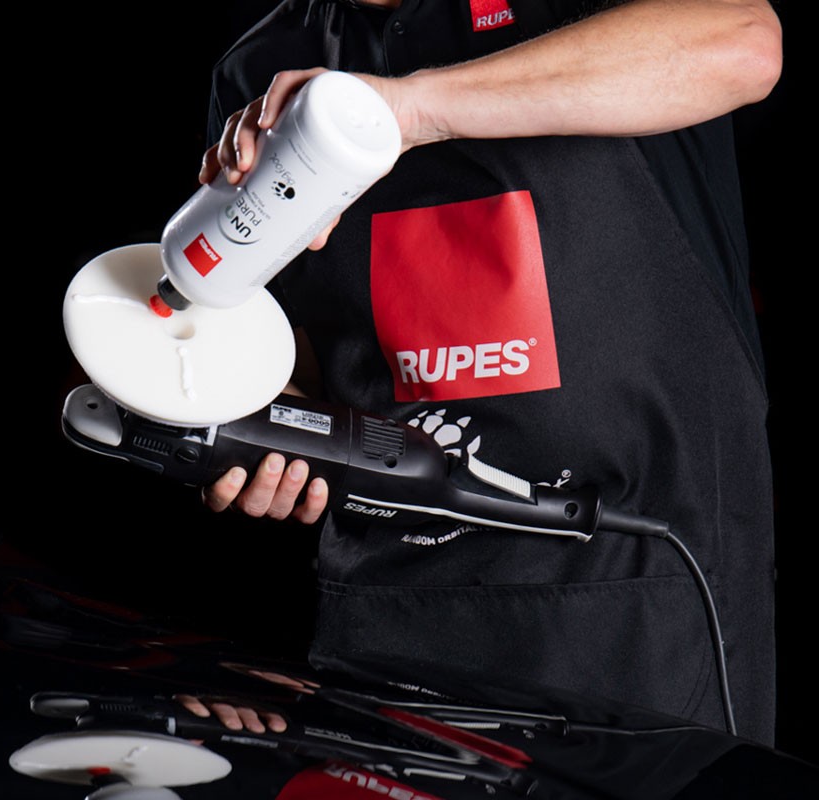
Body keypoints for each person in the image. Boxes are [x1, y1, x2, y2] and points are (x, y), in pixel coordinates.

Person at [198, 0, 782, 745]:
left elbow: (744, 42)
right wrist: (266, 432)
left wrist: (408, 109)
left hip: (649, 603)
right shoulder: (261, 68)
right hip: (387, 615)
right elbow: (308, 354)